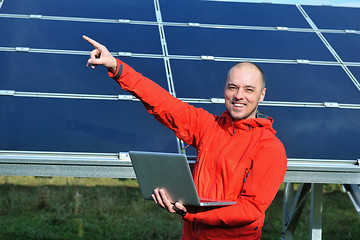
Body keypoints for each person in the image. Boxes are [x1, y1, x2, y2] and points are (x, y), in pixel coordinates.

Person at [83, 35, 287, 240]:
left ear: (262, 95)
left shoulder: (269, 148)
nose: (238, 95)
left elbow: (250, 209)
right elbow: (163, 103)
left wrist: (191, 214)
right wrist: (117, 67)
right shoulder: (209, 126)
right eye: (232, 87)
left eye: (249, 90)